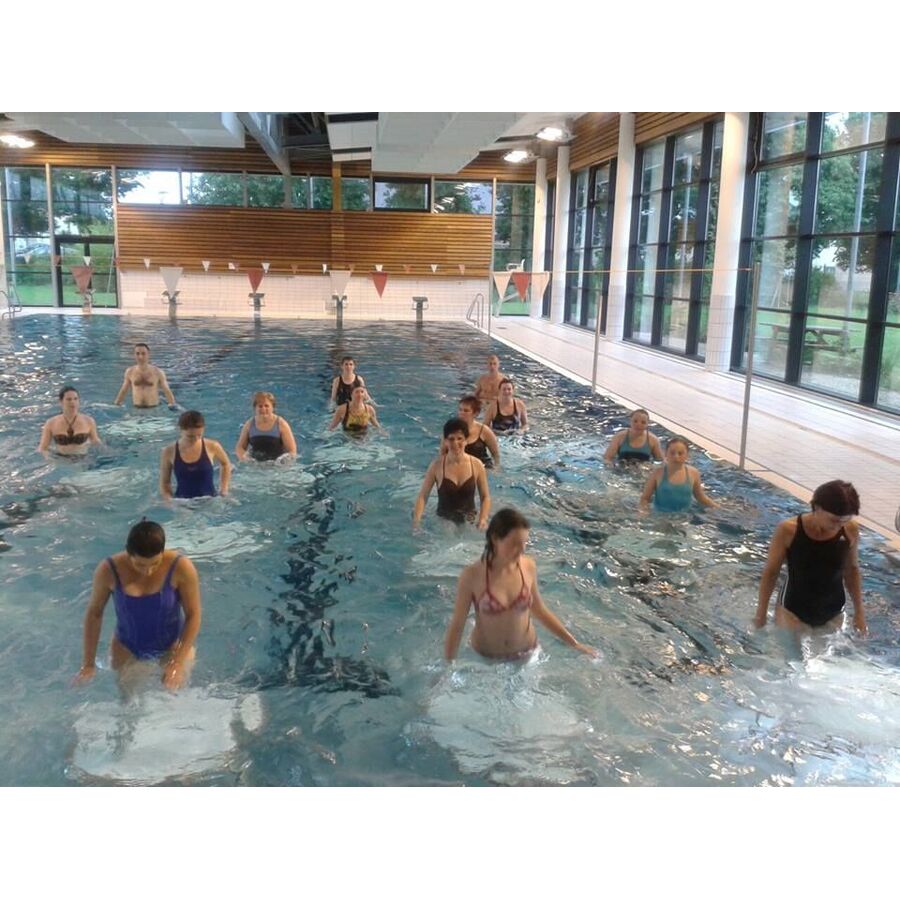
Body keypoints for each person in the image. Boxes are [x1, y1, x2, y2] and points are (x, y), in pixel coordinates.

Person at [444, 508, 598, 661]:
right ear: (495, 538)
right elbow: (458, 625)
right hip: (484, 660)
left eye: (525, 543)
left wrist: (574, 644)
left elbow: (539, 610)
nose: (522, 550)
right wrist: (447, 667)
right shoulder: (471, 576)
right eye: (515, 544)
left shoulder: (528, 566)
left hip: (528, 655)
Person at [72, 520, 201, 691]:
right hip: (127, 648)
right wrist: (88, 665)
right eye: (139, 564)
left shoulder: (181, 567)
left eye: (155, 564)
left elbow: (194, 614)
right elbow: (95, 613)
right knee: (129, 707)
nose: (148, 571)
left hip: (173, 646)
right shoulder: (109, 570)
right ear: (128, 553)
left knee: (175, 698)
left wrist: (176, 663)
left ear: (163, 552)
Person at [754, 480, 866, 634]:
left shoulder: (850, 530)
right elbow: (771, 572)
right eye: (834, 520)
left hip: (834, 610)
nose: (838, 526)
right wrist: (761, 613)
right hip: (792, 609)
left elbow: (852, 570)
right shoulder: (788, 530)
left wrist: (860, 613)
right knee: (792, 657)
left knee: (829, 658)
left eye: (844, 521)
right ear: (817, 507)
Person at [415, 418, 491, 528]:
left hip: (470, 521)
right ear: (445, 441)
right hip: (443, 522)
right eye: (451, 439)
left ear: (466, 440)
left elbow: (485, 497)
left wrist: (483, 519)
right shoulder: (436, 466)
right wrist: (416, 523)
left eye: (460, 438)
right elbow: (423, 496)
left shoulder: (476, 465)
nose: (455, 443)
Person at [160, 410, 232, 499]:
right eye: (190, 436)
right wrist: (169, 501)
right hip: (182, 502)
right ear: (180, 430)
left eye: (199, 435)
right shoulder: (169, 451)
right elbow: (165, 483)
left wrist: (224, 488)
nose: (195, 439)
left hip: (210, 500)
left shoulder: (212, 446)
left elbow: (225, 464)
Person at [639, 437, 716, 512]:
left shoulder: (693, 473)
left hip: (685, 517)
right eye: (672, 453)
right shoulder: (657, 474)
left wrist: (716, 507)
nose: (676, 456)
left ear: (687, 455)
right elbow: (645, 498)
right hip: (660, 517)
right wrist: (643, 512)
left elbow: (700, 497)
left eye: (680, 453)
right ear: (666, 454)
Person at [37, 385, 101, 456]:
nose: (73, 402)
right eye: (69, 399)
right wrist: (49, 459)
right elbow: (43, 448)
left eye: (75, 399)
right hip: (61, 459)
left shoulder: (88, 421)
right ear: (61, 401)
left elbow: (95, 441)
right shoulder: (51, 423)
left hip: (83, 460)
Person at [235, 391, 298, 462]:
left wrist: (284, 464)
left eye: (266, 406)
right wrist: (246, 459)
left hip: (277, 465)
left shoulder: (281, 424)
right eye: (260, 406)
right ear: (255, 408)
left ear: (272, 407)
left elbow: (292, 451)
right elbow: (239, 448)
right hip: (256, 464)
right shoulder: (249, 424)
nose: (263, 409)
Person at [114, 342, 177, 408]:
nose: (140, 357)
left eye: (143, 354)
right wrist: (117, 404)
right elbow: (124, 390)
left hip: (154, 409)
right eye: (137, 354)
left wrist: (172, 405)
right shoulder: (130, 372)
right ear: (134, 355)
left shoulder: (158, 372)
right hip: (136, 409)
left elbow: (166, 390)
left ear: (148, 354)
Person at [455, 395, 501, 469]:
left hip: (483, 467)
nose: (461, 413)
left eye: (466, 410)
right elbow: (442, 453)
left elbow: (495, 454)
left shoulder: (484, 431)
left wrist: (496, 468)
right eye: (460, 410)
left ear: (475, 413)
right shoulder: (451, 430)